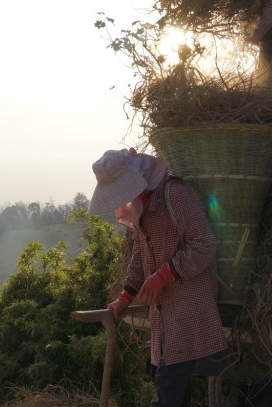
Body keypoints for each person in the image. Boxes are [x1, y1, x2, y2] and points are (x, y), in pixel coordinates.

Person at [88, 148, 227, 407]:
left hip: (189, 311)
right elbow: (140, 257)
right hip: (165, 317)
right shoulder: (142, 209)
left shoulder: (176, 196)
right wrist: (124, 297)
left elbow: (204, 245)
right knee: (176, 396)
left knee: (166, 396)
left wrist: (163, 275)